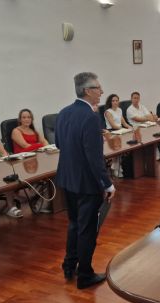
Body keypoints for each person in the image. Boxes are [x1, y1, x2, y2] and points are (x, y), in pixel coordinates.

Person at [55, 72, 115, 289]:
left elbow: (59, 144)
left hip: (66, 179)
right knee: (87, 229)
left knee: (73, 224)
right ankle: (85, 275)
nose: (102, 92)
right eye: (98, 88)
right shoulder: (91, 117)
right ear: (88, 91)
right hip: (86, 183)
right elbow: (94, 156)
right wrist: (107, 183)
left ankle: (69, 265)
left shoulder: (63, 113)